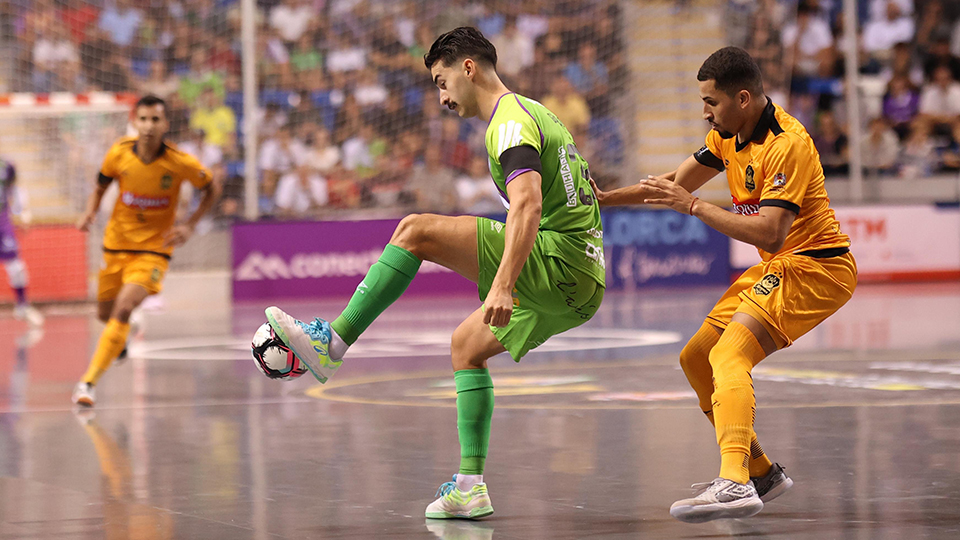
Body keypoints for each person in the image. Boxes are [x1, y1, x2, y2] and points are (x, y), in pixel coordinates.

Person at [263, 27, 605, 520]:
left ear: (468, 68)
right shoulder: (539, 112)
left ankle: (331, 344)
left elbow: (527, 205)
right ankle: (470, 487)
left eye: (442, 82)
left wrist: (505, 284)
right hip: (584, 286)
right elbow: (582, 190)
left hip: (558, 264)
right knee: (466, 348)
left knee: (415, 230)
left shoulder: (507, 123)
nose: (441, 97)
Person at [591, 47, 856, 523]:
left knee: (728, 354)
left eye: (711, 102)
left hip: (817, 267)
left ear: (744, 97)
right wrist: (607, 198)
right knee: (695, 357)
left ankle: (733, 482)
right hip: (780, 265)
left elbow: (769, 231)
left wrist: (691, 207)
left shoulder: (787, 143)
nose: (705, 111)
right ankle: (761, 472)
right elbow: (675, 182)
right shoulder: (725, 134)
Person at [72, 95, 221, 407]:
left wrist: (190, 225)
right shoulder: (119, 153)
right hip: (115, 244)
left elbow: (211, 187)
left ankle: (87, 384)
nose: (149, 126)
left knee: (124, 307)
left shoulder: (180, 162)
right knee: (105, 314)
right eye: (143, 119)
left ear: (165, 124)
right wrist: (90, 211)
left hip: (154, 250)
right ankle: (124, 332)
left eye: (156, 120)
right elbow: (100, 185)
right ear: (134, 122)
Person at [0, 158, 44, 326]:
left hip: (2, 221)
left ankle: (22, 305)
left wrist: (23, 211)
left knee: (16, 267)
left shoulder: (6, 166)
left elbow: (15, 188)